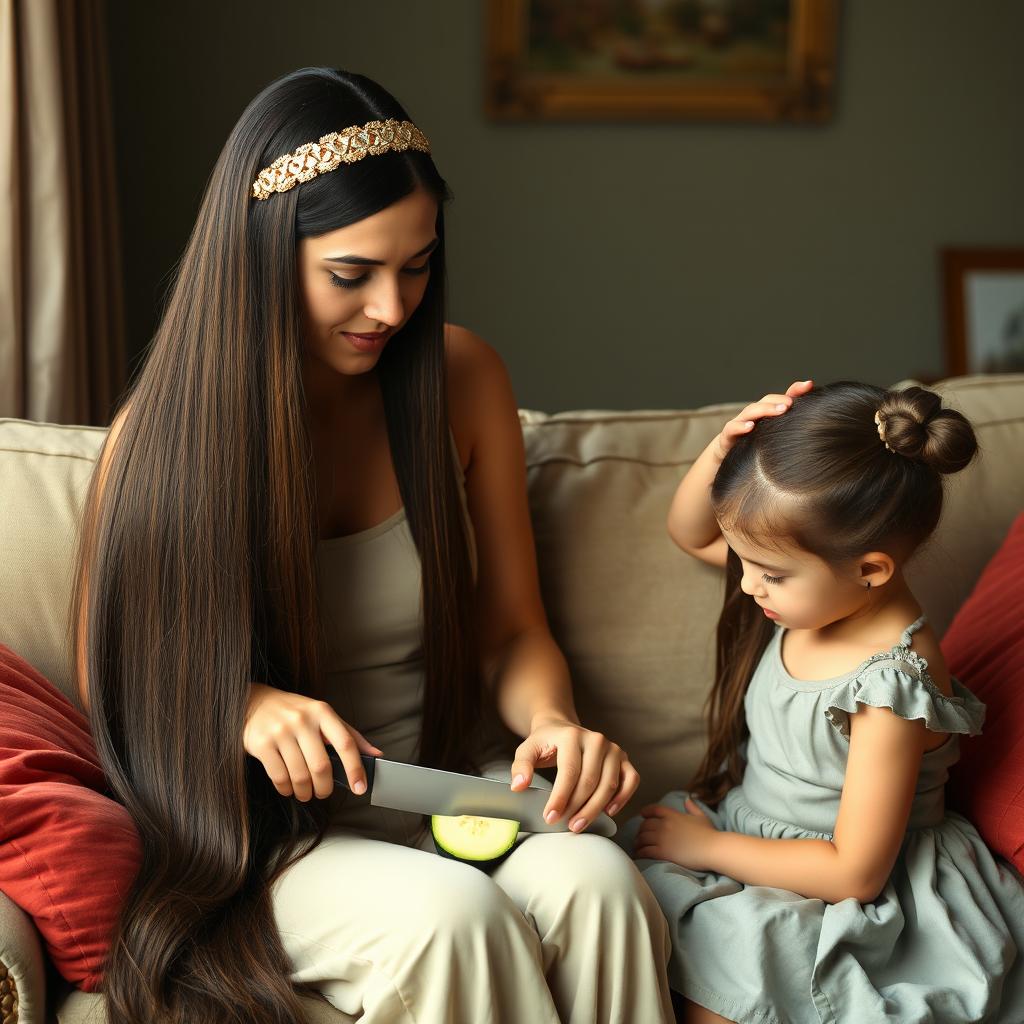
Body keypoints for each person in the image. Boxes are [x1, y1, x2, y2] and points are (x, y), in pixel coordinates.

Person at [71, 67, 673, 1024]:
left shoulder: (461, 379)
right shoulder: (163, 438)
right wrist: (242, 705)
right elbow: (119, 682)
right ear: (261, 257)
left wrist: (551, 723)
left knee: (598, 884)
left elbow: (511, 632)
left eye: (419, 265)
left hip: (454, 786)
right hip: (270, 838)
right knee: (452, 919)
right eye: (351, 274)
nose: (392, 309)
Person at [618, 380, 1024, 1023]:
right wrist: (725, 449)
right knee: (615, 912)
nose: (745, 583)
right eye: (744, 561)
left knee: (728, 984)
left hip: (857, 894)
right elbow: (689, 530)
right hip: (753, 837)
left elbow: (855, 873)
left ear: (872, 570)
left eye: (766, 573)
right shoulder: (809, 586)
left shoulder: (892, 685)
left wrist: (706, 850)